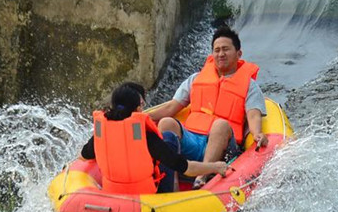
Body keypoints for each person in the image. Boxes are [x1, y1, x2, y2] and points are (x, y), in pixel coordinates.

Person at [148, 26, 267, 188]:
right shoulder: (195, 79)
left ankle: (201, 178)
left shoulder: (249, 86)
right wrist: (144, 117)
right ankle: (169, 181)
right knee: (166, 122)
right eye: (216, 50)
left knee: (220, 124)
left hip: (224, 147)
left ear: (238, 54)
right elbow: (171, 107)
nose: (221, 54)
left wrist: (257, 133)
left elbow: (253, 115)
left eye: (226, 49)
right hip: (192, 140)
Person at [80, 82, 228, 194]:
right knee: (169, 138)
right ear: (138, 109)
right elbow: (185, 167)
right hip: (147, 199)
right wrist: (215, 167)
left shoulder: (101, 133)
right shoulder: (145, 136)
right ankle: (175, 193)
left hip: (112, 194)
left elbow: (83, 156)